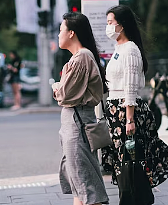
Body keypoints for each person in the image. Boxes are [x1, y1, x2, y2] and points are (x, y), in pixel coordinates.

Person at [100, 5, 168, 205]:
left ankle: (134, 197)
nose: (108, 27)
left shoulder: (131, 49)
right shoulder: (118, 49)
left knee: (131, 159)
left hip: (125, 113)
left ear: (122, 24)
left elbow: (130, 87)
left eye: (111, 23)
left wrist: (129, 118)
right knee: (123, 160)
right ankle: (134, 196)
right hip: (115, 112)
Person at [52, 12, 109, 205]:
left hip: (77, 123)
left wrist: (57, 87)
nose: (58, 35)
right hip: (75, 121)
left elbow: (65, 95)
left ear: (71, 33)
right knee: (79, 182)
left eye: (61, 30)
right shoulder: (80, 56)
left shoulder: (81, 57)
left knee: (86, 185)